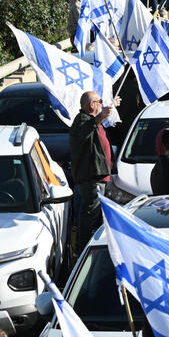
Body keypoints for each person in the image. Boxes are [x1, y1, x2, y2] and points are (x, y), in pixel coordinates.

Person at [70, 90, 121, 249]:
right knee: (89, 214)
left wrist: (107, 111)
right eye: (99, 101)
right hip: (92, 178)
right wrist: (101, 116)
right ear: (92, 105)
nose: (101, 104)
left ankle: (94, 245)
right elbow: (84, 131)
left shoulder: (91, 120)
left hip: (99, 177)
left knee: (96, 215)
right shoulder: (82, 121)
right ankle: (82, 248)